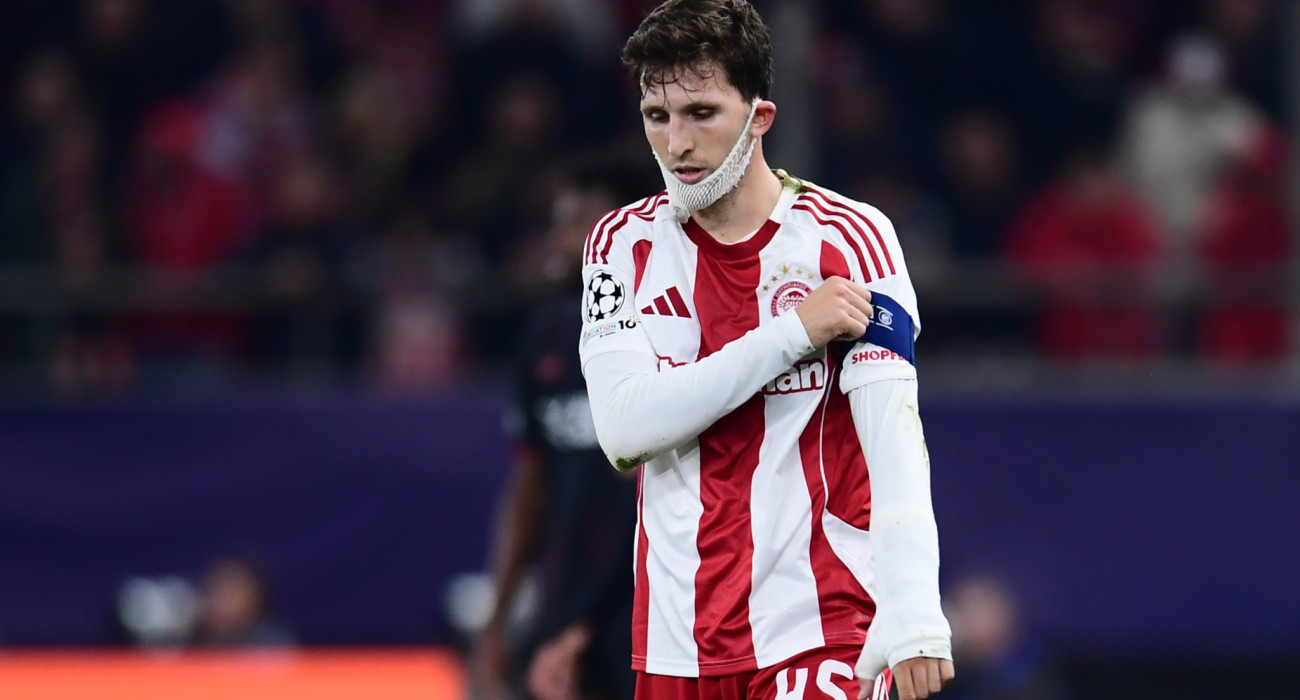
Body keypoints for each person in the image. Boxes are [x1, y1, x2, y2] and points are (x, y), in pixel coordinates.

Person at [578, 2, 954, 699]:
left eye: (701, 113)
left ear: (760, 117)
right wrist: (791, 335)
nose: (676, 143)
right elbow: (624, 433)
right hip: (676, 642)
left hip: (823, 623)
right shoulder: (619, 245)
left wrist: (914, 607)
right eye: (657, 116)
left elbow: (895, 439)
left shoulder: (851, 238)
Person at [474, 154, 657, 700]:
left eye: (578, 221)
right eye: (560, 221)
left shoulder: (671, 332)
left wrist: (586, 621)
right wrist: (499, 614)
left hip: (652, 617)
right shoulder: (546, 338)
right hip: (562, 610)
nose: (561, 238)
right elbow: (530, 486)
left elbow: (659, 499)